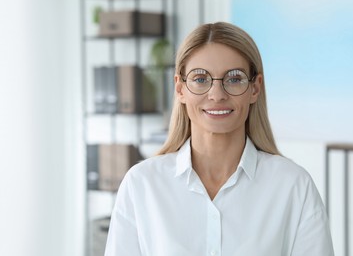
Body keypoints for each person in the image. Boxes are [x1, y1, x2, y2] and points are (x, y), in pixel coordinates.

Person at [104, 22, 334, 256]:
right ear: (180, 89)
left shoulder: (293, 186)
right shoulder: (141, 185)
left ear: (255, 88)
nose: (217, 95)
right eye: (200, 79)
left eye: (234, 79)